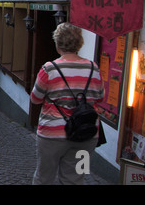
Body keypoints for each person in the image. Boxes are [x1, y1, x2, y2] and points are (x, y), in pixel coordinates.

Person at [30, 23, 104, 185]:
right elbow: (100, 98)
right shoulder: (94, 69)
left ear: (57, 44)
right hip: (86, 134)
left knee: (44, 177)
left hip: (52, 134)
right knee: (76, 178)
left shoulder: (49, 69)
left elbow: (35, 99)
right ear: (79, 43)